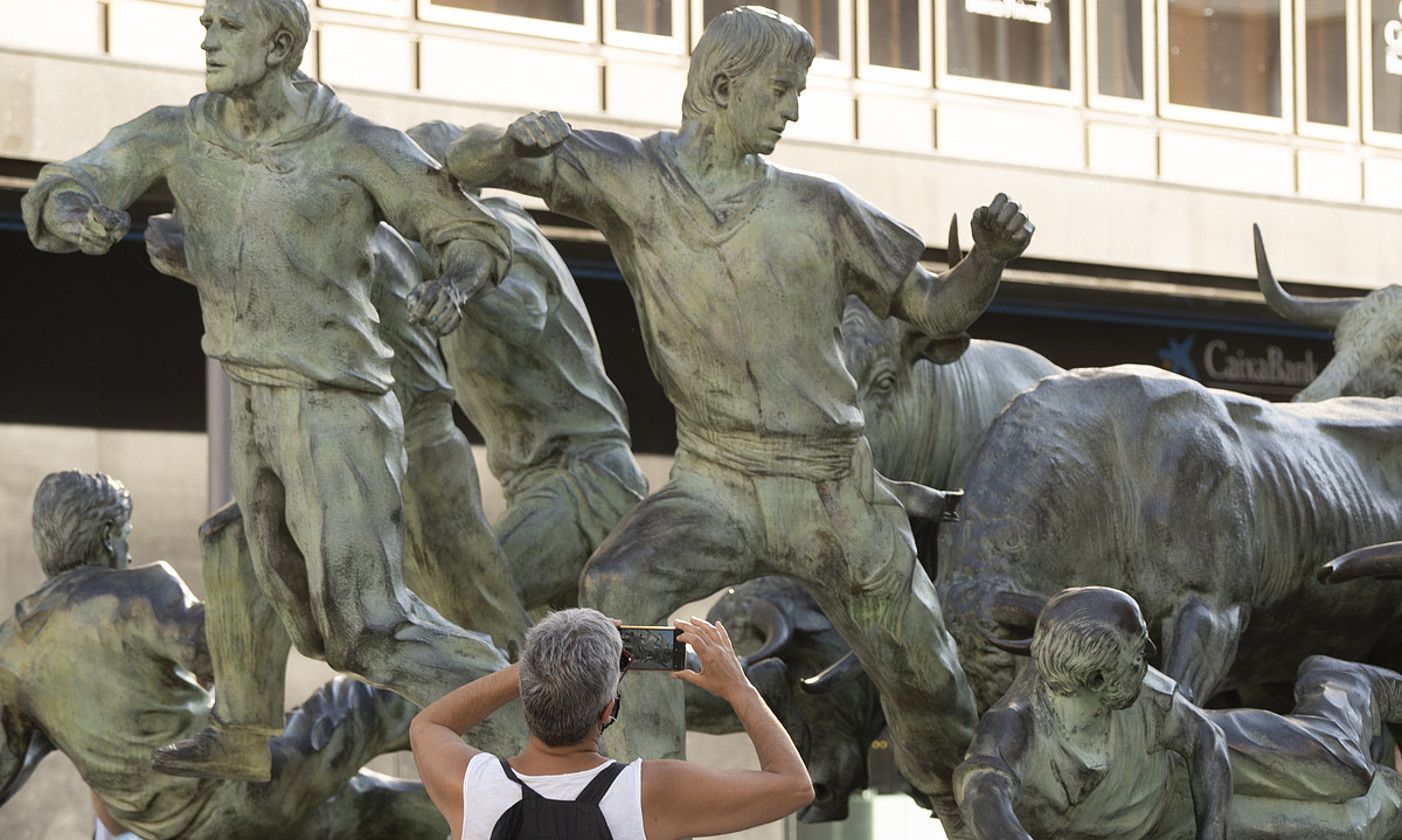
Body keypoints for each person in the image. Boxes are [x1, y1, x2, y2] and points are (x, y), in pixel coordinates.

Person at [439, 5, 1032, 825]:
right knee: (621, 582)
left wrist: (990, 260)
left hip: (832, 492)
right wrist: (509, 146)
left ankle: (963, 804)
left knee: (929, 684)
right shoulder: (633, 178)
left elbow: (934, 310)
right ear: (723, 86)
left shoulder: (823, 209)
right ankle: (640, 801)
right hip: (715, 483)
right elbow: (462, 163)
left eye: (798, 92)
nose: (793, 110)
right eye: (782, 90)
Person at [21, 0, 520, 780]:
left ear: (281, 43)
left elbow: (467, 228)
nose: (207, 35)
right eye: (207, 21)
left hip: (336, 406)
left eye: (227, 24)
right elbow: (67, 182)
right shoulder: (179, 132)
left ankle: (516, 708)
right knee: (241, 555)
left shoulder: (354, 145)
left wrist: (454, 283)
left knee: (362, 628)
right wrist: (77, 209)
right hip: (252, 395)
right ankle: (243, 735)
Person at [0, 471, 449, 839]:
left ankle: (501, 818)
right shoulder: (137, 593)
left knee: (364, 808)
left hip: (176, 831)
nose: (129, 551)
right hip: (240, 788)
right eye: (125, 536)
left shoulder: (12, 650)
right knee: (363, 705)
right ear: (105, 535)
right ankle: (502, 714)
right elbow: (218, 650)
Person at [955, 586, 1402, 840]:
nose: (1150, 656)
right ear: (1093, 682)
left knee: (1343, 769)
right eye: (1137, 656)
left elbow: (1206, 740)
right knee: (1357, 826)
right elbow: (986, 802)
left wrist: (1214, 835)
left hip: (1196, 764)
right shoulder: (1014, 730)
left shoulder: (1139, 689)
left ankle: (1340, 682)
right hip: (1162, 822)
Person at [409, 608, 813, 840]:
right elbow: (794, 786)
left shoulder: (473, 788)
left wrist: (541, 665)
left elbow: (429, 724)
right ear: (608, 710)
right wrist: (739, 689)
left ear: (527, 692)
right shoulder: (650, 793)